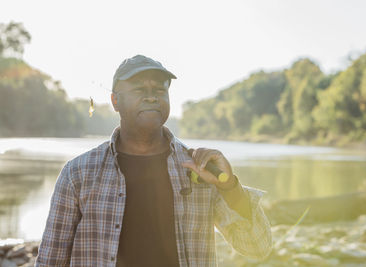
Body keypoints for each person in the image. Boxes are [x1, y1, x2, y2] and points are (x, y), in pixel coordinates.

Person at [35, 55, 272, 267]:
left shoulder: (200, 169)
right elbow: (50, 260)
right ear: (115, 101)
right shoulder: (78, 173)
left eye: (159, 90)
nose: (151, 97)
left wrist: (229, 186)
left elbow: (257, 247)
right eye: (139, 89)